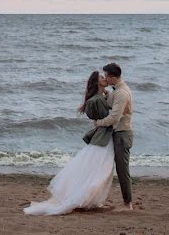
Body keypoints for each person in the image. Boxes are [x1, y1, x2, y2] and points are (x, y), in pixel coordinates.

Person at [23, 71, 117, 215]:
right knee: (100, 170)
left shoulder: (99, 98)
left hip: (103, 136)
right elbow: (106, 117)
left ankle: (91, 200)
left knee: (97, 169)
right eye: (102, 78)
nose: (105, 79)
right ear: (97, 82)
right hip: (104, 137)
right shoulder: (96, 100)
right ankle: (86, 199)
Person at [93, 62, 134, 211]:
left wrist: (99, 123)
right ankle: (126, 202)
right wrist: (104, 93)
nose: (105, 79)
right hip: (119, 134)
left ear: (113, 77)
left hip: (123, 134)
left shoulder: (122, 93)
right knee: (119, 168)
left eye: (107, 77)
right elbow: (110, 103)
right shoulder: (117, 90)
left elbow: (115, 117)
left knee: (122, 169)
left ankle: (127, 204)